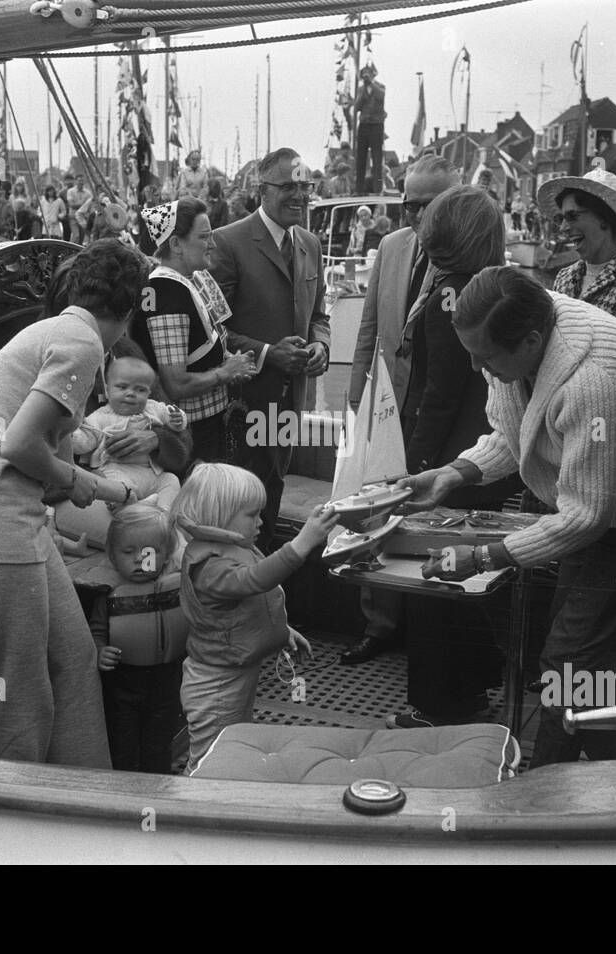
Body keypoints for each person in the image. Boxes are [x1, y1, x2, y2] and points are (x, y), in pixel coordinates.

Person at [398, 266, 616, 766]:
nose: (475, 368)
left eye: (484, 356)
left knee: (567, 659)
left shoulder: (591, 383)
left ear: (532, 342)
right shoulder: (521, 338)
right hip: (596, 497)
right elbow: (516, 436)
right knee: (574, 645)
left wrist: (485, 556)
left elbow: (585, 518)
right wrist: (455, 473)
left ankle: (544, 782)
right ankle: (609, 761)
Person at [0, 239, 150, 767]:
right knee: (22, 691)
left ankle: (87, 798)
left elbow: (43, 461)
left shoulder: (52, 331)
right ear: (128, 311)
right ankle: (17, 822)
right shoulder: (84, 343)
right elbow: (19, 446)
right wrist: (77, 477)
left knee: (74, 655)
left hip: (6, 521)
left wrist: (87, 466)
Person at [378, 186, 526, 727]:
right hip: (484, 457)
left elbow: (437, 395)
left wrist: (413, 466)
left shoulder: (446, 295)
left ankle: (433, 704)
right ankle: (470, 691)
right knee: (473, 582)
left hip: (449, 463)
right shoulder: (490, 288)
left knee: (430, 582)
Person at [342, 153, 458, 666]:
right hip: (389, 404)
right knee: (377, 509)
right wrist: (353, 397)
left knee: (431, 515)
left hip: (441, 410)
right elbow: (369, 326)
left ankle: (433, 631)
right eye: (407, 204)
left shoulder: (465, 258)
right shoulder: (390, 247)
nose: (414, 215)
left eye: (425, 205)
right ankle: (380, 623)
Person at [173, 463, 340, 771]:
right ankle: (191, 809)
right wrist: (302, 543)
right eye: (252, 515)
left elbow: (248, 605)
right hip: (216, 684)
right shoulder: (209, 566)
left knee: (233, 744)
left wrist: (282, 631)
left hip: (234, 672)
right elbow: (255, 580)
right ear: (220, 515)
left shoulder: (231, 548)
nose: (261, 522)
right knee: (211, 760)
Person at [210, 147, 331, 551]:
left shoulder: (310, 244)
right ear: (263, 191)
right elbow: (213, 330)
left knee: (272, 494)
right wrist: (265, 353)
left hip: (288, 403)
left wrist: (320, 346)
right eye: (288, 187)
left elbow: (319, 315)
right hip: (241, 407)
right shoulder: (227, 243)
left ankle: (264, 589)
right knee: (238, 503)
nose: (300, 196)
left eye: (305, 186)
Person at [129, 199, 258, 464]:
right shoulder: (167, 291)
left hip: (206, 424)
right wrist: (225, 372)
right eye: (204, 237)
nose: (212, 244)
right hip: (191, 431)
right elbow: (174, 384)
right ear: (176, 244)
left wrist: (229, 364)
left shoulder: (184, 281)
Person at [87, 504, 189, 773]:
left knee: (158, 746)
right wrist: (100, 651)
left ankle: (157, 793)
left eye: (149, 552)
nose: (138, 559)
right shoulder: (108, 594)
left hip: (166, 683)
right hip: (123, 685)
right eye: (128, 552)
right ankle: (123, 797)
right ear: (112, 555)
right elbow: (96, 632)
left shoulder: (179, 588)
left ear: (166, 554)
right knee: (122, 744)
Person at [537, 167, 616, 353]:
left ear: (604, 217)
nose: (563, 228)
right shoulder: (564, 277)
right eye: (560, 218)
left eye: (572, 216)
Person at [72, 356, 188, 511]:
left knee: (170, 480)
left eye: (140, 390)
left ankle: (163, 513)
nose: (131, 393)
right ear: (107, 390)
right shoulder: (99, 417)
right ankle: (136, 509)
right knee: (119, 488)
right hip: (115, 469)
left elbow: (174, 419)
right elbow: (85, 442)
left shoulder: (153, 408)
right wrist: (71, 432)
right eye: (122, 387)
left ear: (149, 393)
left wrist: (179, 420)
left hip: (149, 471)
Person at [353, 65, 386, 194]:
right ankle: (359, 189)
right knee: (361, 157)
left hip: (376, 125)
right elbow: (357, 107)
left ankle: (378, 189)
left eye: (368, 74)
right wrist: (363, 92)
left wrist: (371, 85)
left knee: (377, 158)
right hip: (364, 125)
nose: (366, 76)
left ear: (373, 75)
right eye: (364, 74)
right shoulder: (360, 89)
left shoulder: (380, 86)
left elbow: (381, 97)